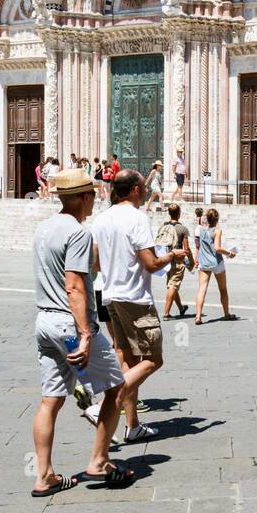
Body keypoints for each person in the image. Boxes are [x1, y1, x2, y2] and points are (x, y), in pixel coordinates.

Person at [30, 166, 132, 495]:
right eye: (93, 197)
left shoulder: (43, 229)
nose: (95, 203)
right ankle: (99, 462)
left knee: (50, 401)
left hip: (44, 322)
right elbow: (74, 286)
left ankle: (44, 475)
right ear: (85, 197)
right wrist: (86, 334)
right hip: (69, 324)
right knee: (116, 387)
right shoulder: (77, 232)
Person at [91, 168, 164, 443]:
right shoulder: (137, 218)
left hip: (109, 296)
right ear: (135, 190)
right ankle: (103, 405)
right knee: (152, 360)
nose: (146, 189)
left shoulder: (102, 219)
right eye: (143, 185)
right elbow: (151, 263)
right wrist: (171, 256)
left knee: (128, 361)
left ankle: (132, 426)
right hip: (135, 298)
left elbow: (95, 263)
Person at [194, 207, 237, 324]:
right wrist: (229, 253)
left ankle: (198, 316)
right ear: (217, 220)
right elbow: (217, 248)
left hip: (204, 262)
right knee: (223, 289)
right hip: (216, 262)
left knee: (202, 289)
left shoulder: (201, 230)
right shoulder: (217, 230)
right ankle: (226, 314)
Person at [157, 203, 194, 319]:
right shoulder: (182, 229)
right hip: (177, 260)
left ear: (169, 213)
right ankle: (166, 313)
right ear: (179, 213)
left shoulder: (162, 226)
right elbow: (186, 249)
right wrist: (191, 262)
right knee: (173, 285)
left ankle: (181, 308)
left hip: (165, 259)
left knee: (172, 284)